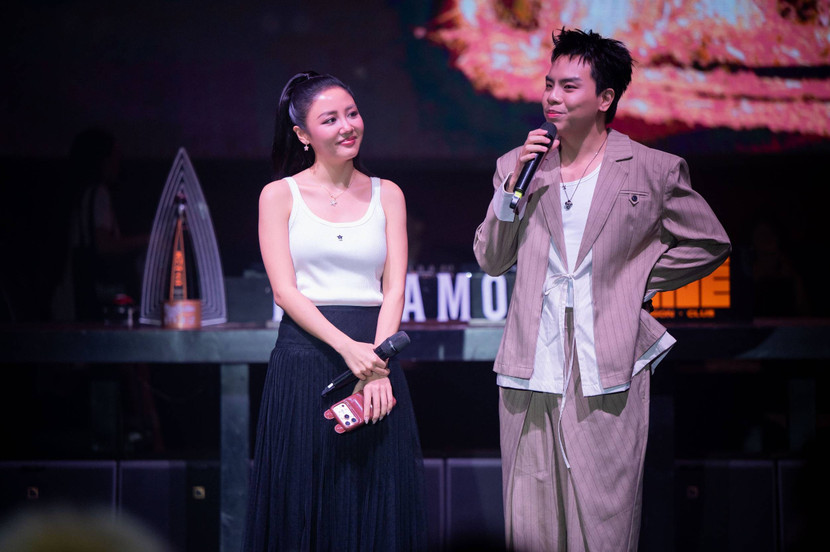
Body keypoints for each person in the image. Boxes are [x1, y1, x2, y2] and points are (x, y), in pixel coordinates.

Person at [473, 28, 731, 551]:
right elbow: (491, 259)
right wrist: (514, 187)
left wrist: (630, 280)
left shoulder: (652, 169)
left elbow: (709, 242)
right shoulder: (518, 166)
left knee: (605, 522)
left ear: (605, 97)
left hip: (608, 364)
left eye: (569, 87)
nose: (552, 96)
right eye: (549, 84)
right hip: (531, 363)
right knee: (530, 525)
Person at [242, 71, 427, 551]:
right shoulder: (278, 195)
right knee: (303, 502)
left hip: (376, 361)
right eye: (330, 119)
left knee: (376, 501)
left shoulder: (389, 193)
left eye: (352, 113)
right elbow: (285, 292)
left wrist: (378, 367)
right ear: (303, 134)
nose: (347, 126)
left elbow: (394, 289)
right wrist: (350, 350)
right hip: (307, 358)